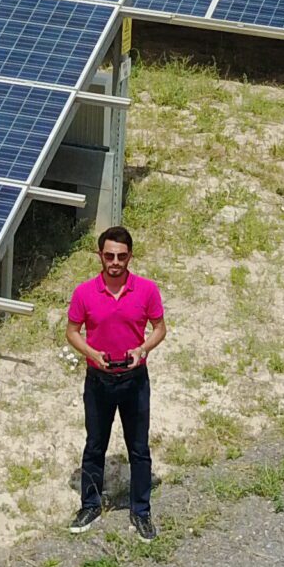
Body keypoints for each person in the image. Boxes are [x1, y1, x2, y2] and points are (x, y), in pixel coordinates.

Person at [65, 224, 165, 540]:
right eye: (109, 255)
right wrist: (93, 353)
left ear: (130, 256)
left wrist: (143, 349)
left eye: (121, 256)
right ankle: (90, 504)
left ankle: (141, 511)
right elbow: (71, 332)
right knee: (95, 445)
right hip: (99, 380)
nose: (115, 262)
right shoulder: (84, 292)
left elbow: (160, 328)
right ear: (100, 256)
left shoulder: (147, 290)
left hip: (135, 379)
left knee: (139, 448)